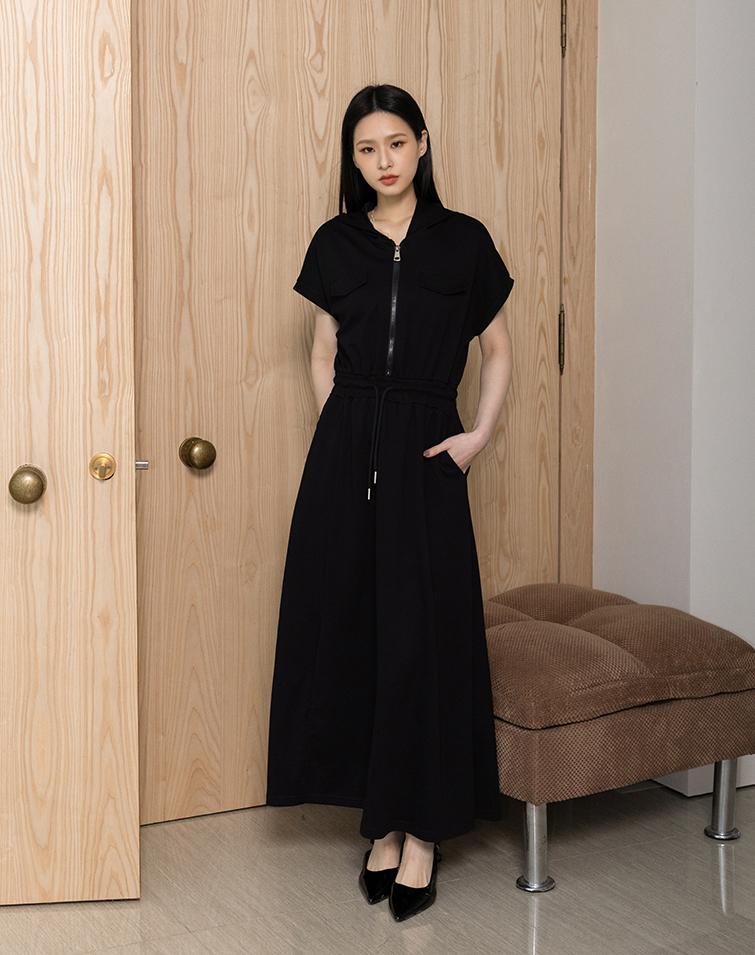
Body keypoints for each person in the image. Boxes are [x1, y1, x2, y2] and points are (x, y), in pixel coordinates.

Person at [267, 84, 513, 922]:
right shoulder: (335, 243)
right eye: (367, 149)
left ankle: (423, 830)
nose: (384, 161)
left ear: (422, 144)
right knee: (354, 629)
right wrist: (341, 431)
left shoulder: (463, 241)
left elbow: (497, 349)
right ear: (353, 159)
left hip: (427, 451)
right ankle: (380, 819)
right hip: (347, 452)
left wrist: (476, 435)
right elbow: (321, 352)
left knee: (422, 639)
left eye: (396, 143)